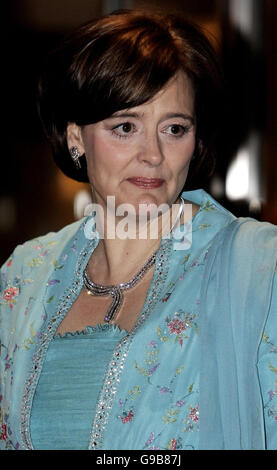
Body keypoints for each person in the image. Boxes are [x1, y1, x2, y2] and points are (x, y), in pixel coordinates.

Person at [0, 9, 276, 451]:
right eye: (125, 127)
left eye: (174, 128)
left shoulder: (259, 271)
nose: (152, 154)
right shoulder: (23, 277)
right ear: (76, 137)